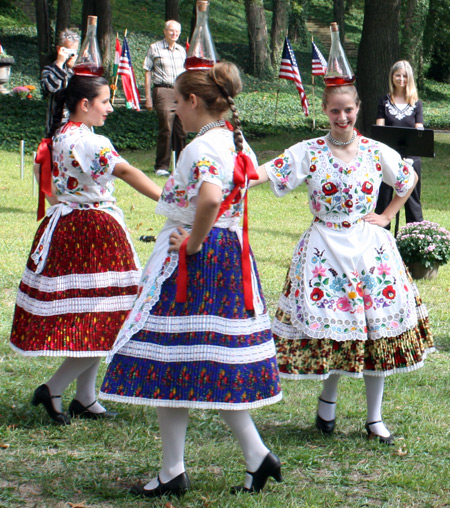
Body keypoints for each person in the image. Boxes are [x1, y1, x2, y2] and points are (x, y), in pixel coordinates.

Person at [99, 62, 282, 498]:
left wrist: (194, 244)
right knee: (198, 362)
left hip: (198, 263)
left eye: (178, 101)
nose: (175, 109)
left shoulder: (199, 149)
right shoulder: (235, 142)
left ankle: (176, 469)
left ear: (194, 101)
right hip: (230, 259)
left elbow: (211, 198)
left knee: (172, 359)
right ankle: (247, 458)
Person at [251, 84, 434, 445]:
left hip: (370, 249)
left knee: (376, 330)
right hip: (325, 249)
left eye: (348, 110)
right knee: (339, 331)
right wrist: (234, 168)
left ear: (358, 108)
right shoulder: (309, 151)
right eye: (335, 111)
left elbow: (407, 177)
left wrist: (387, 215)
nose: (342, 117)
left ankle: (374, 419)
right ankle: (327, 406)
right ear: (325, 110)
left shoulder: (373, 150)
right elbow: (266, 173)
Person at [10, 75, 162, 425]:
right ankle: (54, 388)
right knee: (112, 317)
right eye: (105, 100)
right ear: (84, 104)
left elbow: (42, 173)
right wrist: (169, 201)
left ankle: (85, 397)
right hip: (95, 232)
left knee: (98, 315)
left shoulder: (60, 135)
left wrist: (62, 199)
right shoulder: (92, 142)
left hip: (65, 226)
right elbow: (125, 171)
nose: (109, 107)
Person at [375, 60, 424, 227]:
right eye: (398, 75)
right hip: (388, 155)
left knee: (412, 198)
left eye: (405, 76)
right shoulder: (384, 101)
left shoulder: (416, 103)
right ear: (392, 77)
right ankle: (381, 235)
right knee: (384, 196)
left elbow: (419, 130)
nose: (401, 79)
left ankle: (414, 234)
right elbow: (380, 129)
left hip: (410, 156)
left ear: (409, 78)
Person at [143, 20, 186, 177]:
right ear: (165, 31)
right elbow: (147, 72)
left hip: (180, 92)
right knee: (166, 129)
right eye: (171, 31)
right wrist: (148, 97)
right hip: (163, 91)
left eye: (177, 32)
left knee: (181, 130)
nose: (174, 34)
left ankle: (182, 166)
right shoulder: (154, 48)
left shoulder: (182, 50)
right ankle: (161, 166)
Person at [41, 29, 80, 137]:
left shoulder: (78, 72)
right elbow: (49, 87)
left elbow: (85, 91)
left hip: (76, 128)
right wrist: (59, 63)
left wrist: (74, 69)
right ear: (59, 49)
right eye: (67, 50)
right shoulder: (50, 70)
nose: (70, 55)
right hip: (55, 128)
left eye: (74, 52)